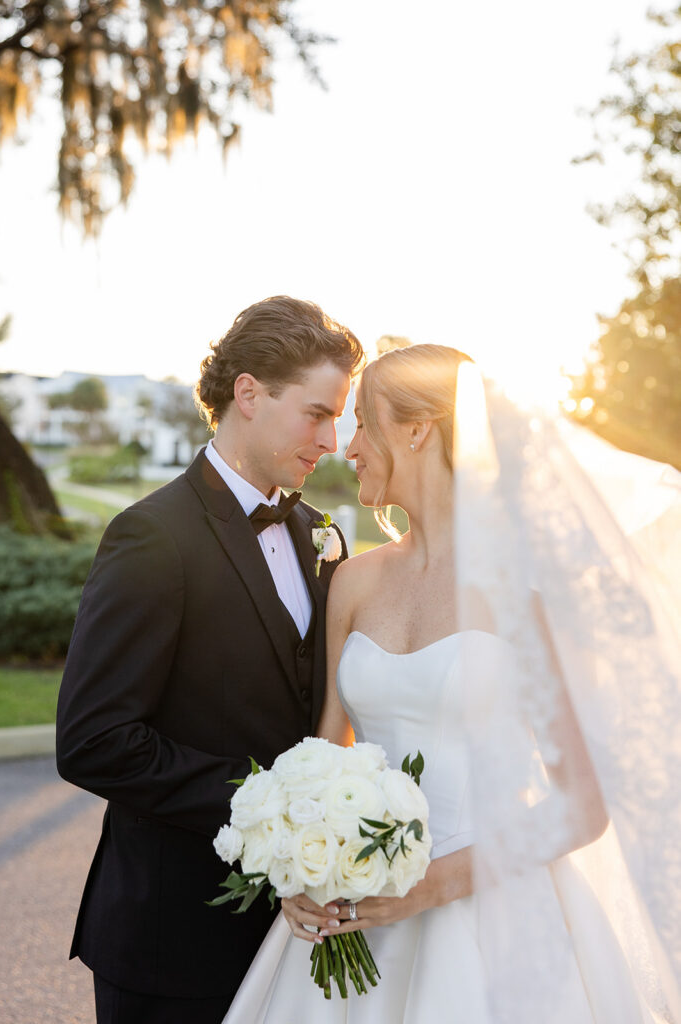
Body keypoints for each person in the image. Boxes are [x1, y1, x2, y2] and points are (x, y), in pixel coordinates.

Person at [223, 344, 681, 1023]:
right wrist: (299, 872)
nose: (346, 448)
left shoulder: (525, 587)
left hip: (494, 917)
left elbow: (580, 804)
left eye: (361, 424)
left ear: (415, 429)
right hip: (355, 912)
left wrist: (422, 890)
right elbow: (326, 749)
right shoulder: (353, 579)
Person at [56, 295, 365, 1024]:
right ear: (248, 394)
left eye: (338, 417)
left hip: (296, 937)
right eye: (317, 413)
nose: (331, 437)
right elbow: (94, 741)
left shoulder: (320, 536)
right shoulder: (150, 536)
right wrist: (272, 818)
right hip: (171, 940)